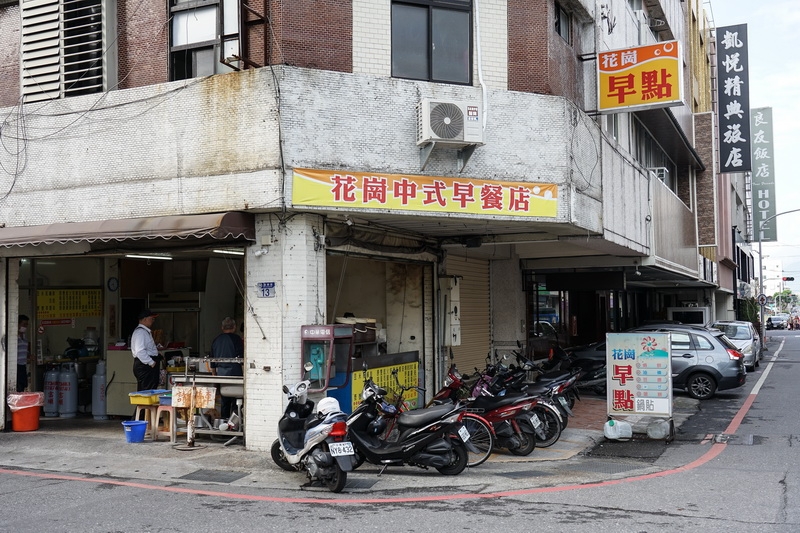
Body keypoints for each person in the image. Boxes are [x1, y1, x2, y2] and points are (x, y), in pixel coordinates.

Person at [210, 316, 244, 419]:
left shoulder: (216, 340)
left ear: (222, 327)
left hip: (222, 375)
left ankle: (224, 424)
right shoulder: (237, 339)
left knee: (225, 402)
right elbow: (241, 358)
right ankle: (234, 426)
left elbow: (212, 360)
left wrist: (214, 374)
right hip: (236, 374)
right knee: (236, 402)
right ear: (234, 327)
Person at [131, 308, 162, 391]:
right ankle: (143, 405)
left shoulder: (145, 332)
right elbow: (140, 351)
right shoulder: (140, 332)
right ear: (145, 319)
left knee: (150, 390)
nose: (153, 320)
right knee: (146, 392)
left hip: (147, 365)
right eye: (151, 318)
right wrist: (151, 362)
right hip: (145, 366)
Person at [16, 315, 30, 392]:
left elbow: (25, 351)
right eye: (24, 324)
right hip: (16, 366)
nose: (25, 327)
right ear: (18, 324)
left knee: (22, 386)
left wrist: (29, 356)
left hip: (23, 366)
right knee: (17, 387)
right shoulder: (13, 337)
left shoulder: (24, 337)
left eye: (26, 325)